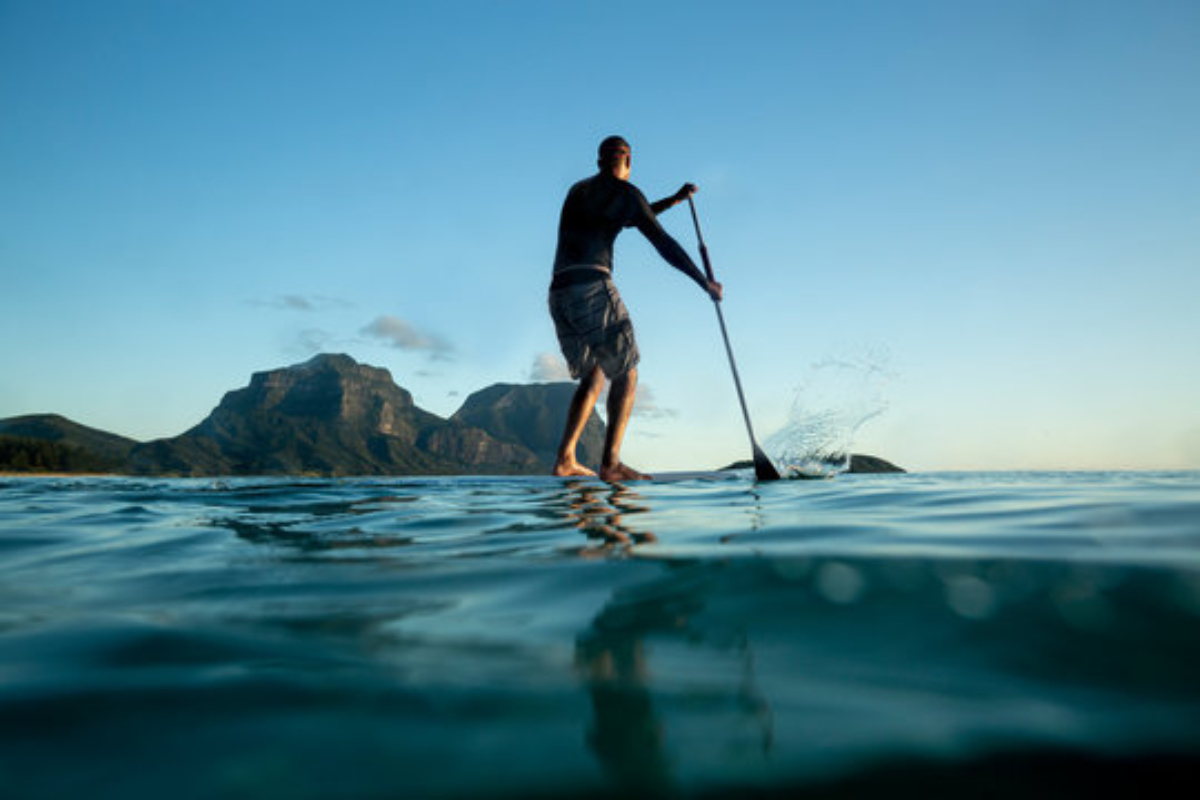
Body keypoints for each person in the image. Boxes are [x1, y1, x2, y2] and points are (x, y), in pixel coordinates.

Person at [548, 135, 723, 481]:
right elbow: (663, 242)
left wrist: (672, 201)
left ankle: (565, 458)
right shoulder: (627, 194)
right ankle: (611, 464)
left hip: (559, 293)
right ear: (628, 160)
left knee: (595, 372)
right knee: (626, 370)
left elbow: (628, 218)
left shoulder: (578, 191)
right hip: (592, 287)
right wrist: (705, 282)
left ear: (599, 162)